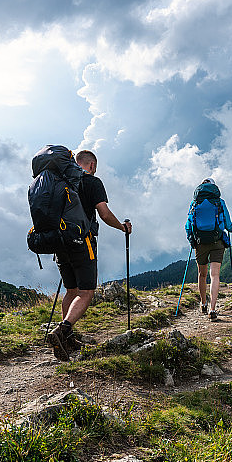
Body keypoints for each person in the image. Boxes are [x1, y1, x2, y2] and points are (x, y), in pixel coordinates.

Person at [47, 150, 132, 360]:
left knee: (71, 290)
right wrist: (122, 227)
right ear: (92, 165)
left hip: (60, 242)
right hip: (83, 242)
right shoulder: (92, 182)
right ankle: (63, 330)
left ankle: (67, 340)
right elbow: (103, 213)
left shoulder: (60, 181)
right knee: (86, 292)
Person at [185, 178, 232, 321]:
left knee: (202, 274)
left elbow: (188, 225)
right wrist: (229, 228)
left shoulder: (195, 203)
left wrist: (192, 241)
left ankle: (203, 303)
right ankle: (212, 309)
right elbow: (229, 224)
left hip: (200, 243)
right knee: (215, 275)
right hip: (217, 241)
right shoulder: (219, 202)